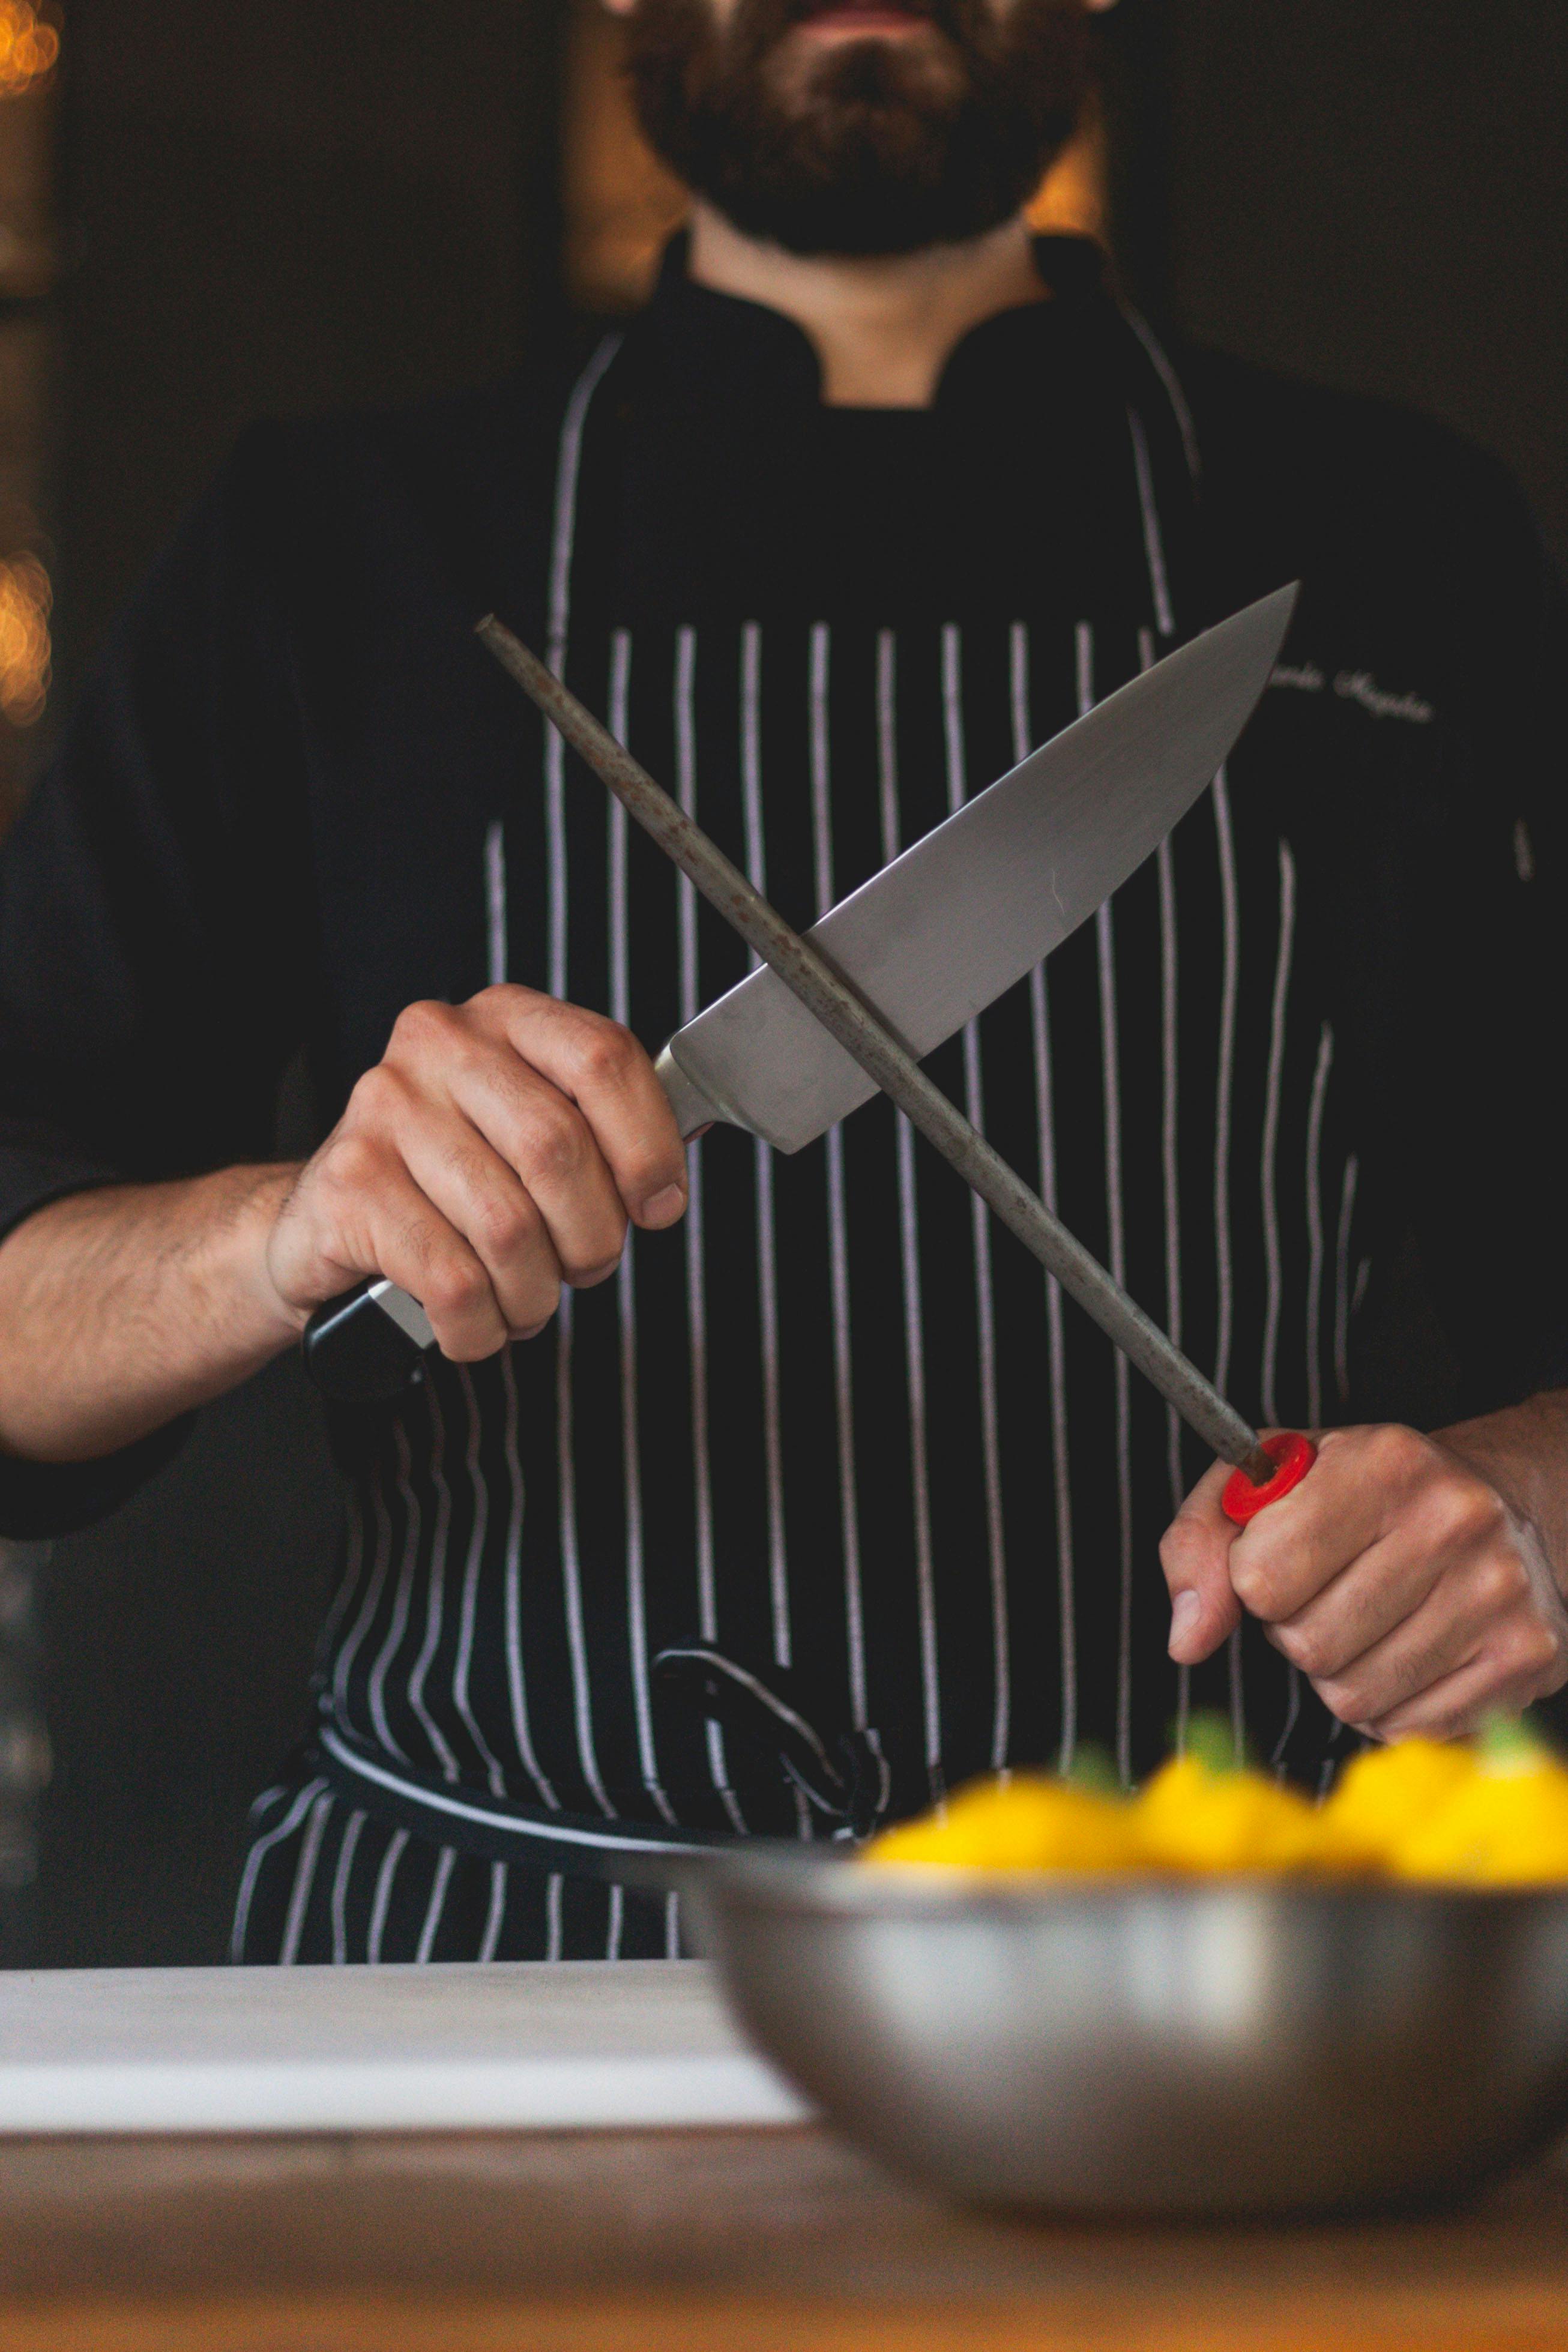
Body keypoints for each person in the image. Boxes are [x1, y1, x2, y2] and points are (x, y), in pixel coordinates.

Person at [1, 0, 1565, 1964]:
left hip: (1183, 1975)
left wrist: (1525, 1510)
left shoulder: (1394, 542)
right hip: (482, 1953)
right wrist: (290, 1230)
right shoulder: (344, 548)